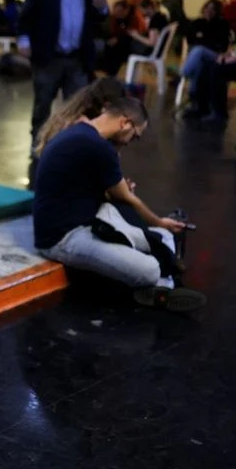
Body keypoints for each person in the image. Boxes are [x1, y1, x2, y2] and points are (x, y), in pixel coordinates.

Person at [33, 96, 205, 311]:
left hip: (85, 218)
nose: (129, 142)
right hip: (62, 239)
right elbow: (126, 198)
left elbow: (101, 190)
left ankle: (161, 284)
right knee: (150, 268)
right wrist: (159, 221)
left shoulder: (80, 132)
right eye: (134, 135)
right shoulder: (99, 146)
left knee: (163, 237)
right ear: (125, 123)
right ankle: (161, 286)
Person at [17, 0, 109, 150]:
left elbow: (99, 18)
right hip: (49, 56)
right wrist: (24, 40)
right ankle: (38, 144)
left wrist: (102, 7)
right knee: (42, 103)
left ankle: (69, 146)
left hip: (77, 58)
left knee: (77, 106)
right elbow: (26, 15)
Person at [179, 0, 231, 108]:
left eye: (213, 9)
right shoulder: (197, 22)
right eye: (207, 7)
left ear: (217, 11)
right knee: (199, 62)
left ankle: (183, 73)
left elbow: (222, 45)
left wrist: (202, 38)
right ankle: (194, 97)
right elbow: (190, 39)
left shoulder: (222, 24)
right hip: (199, 54)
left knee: (199, 50)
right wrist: (205, 39)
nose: (209, 11)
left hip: (215, 55)